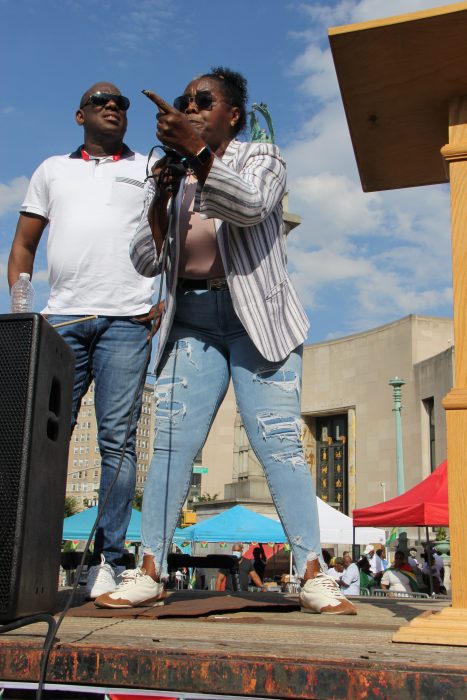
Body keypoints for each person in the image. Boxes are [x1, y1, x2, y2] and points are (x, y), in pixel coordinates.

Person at [95, 67, 356, 616]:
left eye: (203, 100)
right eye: (186, 100)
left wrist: (198, 154)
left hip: (256, 318)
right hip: (190, 317)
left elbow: (252, 208)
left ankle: (312, 573)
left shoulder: (261, 157)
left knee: (278, 441)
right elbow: (144, 257)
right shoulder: (169, 172)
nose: (190, 107)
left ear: (232, 113)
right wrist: (160, 203)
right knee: (170, 444)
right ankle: (150, 569)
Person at [8, 82, 157, 600]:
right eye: (101, 101)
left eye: (120, 103)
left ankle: (105, 562)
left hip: (127, 320)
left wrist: (166, 299)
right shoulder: (52, 169)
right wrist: (24, 316)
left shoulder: (147, 168)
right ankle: (32, 556)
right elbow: (24, 244)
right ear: (80, 115)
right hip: (63, 320)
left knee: (118, 441)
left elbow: (176, 234)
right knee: (45, 440)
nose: (113, 107)